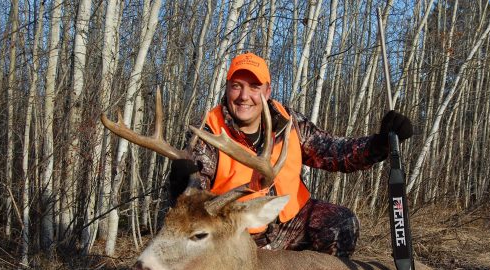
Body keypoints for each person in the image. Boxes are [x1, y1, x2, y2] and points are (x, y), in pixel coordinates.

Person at [169, 52, 413, 258]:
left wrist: (380, 143)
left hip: (293, 220)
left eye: (254, 87)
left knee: (341, 223)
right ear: (227, 87)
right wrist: (184, 187)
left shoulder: (289, 122)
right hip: (239, 231)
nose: (244, 96)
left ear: (267, 91)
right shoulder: (208, 132)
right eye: (237, 86)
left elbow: (334, 152)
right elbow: (195, 200)